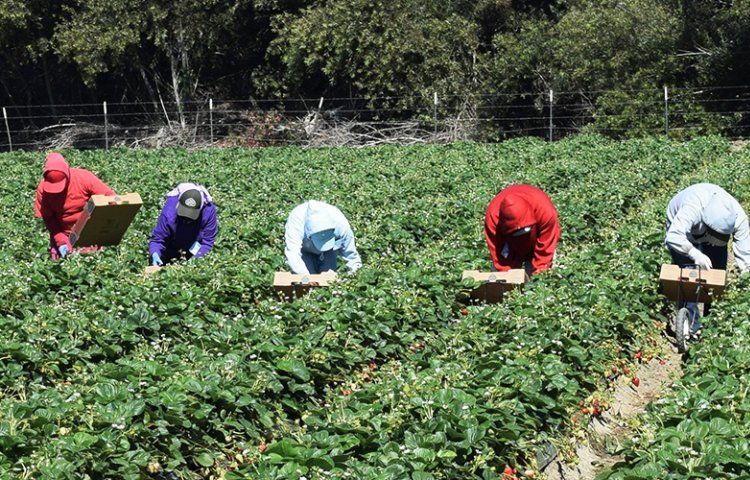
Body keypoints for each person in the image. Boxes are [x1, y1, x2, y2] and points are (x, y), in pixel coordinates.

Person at [665, 183, 750, 334]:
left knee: (716, 275)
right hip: (682, 230)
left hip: (704, 228)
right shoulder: (692, 209)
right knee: (687, 275)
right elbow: (674, 236)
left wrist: (746, 279)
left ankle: (711, 323)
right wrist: (694, 253)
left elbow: (746, 256)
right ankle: (690, 324)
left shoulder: (738, 217)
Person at [34, 152, 115, 259]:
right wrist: (60, 239)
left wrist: (112, 213)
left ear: (68, 175)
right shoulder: (42, 190)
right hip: (63, 234)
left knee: (91, 263)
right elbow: (49, 218)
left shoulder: (83, 178)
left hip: (89, 232)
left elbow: (109, 196)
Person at [484, 184, 560, 276]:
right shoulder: (493, 218)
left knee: (542, 274)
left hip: (536, 240)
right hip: (509, 244)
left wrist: (539, 277)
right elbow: (499, 256)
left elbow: (546, 250)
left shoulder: (545, 211)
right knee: (500, 279)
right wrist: (508, 279)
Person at [284, 200, 362, 275]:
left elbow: (352, 257)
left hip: (330, 250)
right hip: (305, 249)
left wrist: (351, 276)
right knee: (307, 279)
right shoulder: (296, 221)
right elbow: (293, 253)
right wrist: (306, 278)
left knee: (327, 280)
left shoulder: (340, 224)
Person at [149, 183, 218, 265]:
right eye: (183, 216)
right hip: (171, 247)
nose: (186, 220)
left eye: (190, 218)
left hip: (195, 248)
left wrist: (194, 261)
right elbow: (158, 239)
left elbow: (207, 242)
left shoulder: (208, 211)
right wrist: (155, 253)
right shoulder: (169, 212)